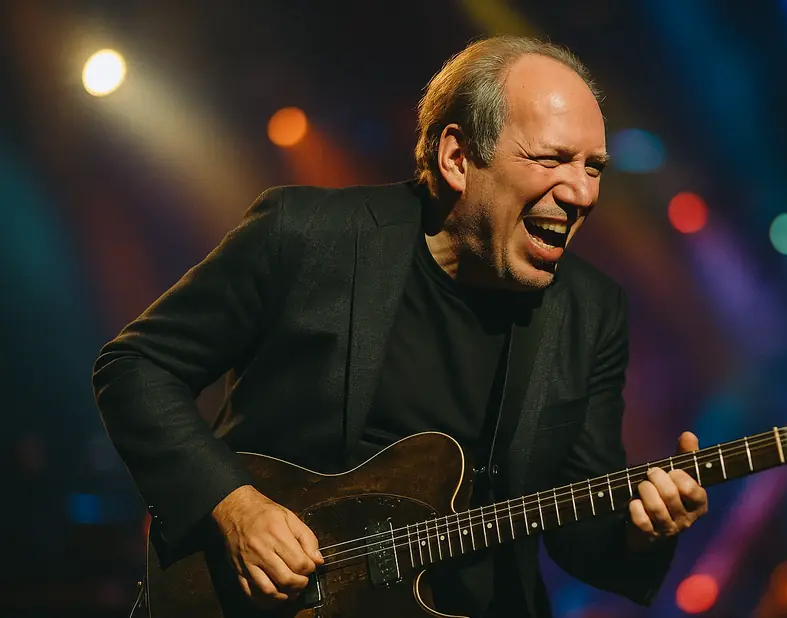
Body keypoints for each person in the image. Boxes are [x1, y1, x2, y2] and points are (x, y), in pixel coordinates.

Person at [92, 35, 708, 617]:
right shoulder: (306, 235)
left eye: (593, 167)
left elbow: (580, 535)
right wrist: (234, 506)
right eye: (552, 159)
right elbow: (136, 368)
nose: (581, 192)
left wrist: (642, 529)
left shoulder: (591, 313)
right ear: (457, 158)